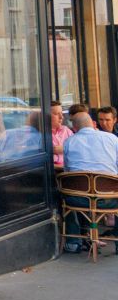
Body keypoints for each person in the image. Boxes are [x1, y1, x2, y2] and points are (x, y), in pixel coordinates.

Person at [63, 110, 118, 254]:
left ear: (74, 128)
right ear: (93, 124)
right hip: (109, 199)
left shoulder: (69, 142)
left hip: (79, 200)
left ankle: (73, 242)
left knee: (62, 195)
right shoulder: (112, 139)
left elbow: (68, 171)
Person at [50, 101, 74, 169]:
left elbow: (78, 148)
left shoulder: (66, 130)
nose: (61, 117)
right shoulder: (41, 134)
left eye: (61, 113)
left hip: (71, 169)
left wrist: (64, 149)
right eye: (56, 114)